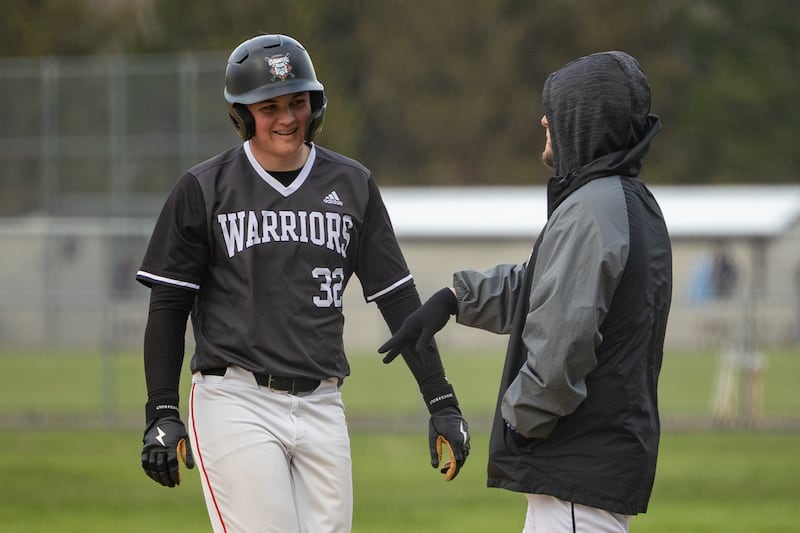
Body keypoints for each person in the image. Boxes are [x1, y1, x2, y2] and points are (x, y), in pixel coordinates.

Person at [136, 34, 469, 533]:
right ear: (242, 115)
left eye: (298, 101)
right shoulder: (205, 189)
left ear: (317, 104)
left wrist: (442, 401)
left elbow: (399, 299)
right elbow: (168, 306)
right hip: (236, 399)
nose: (288, 117)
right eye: (269, 107)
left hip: (323, 402)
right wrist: (161, 409)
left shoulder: (352, 184)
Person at [379, 51, 672, 532]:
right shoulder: (621, 200)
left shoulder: (592, 211)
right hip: (583, 477)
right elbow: (545, 286)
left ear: (582, 121)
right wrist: (454, 298)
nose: (544, 120)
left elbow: (563, 342)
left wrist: (518, 419)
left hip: (575, 473)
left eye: (554, 111)